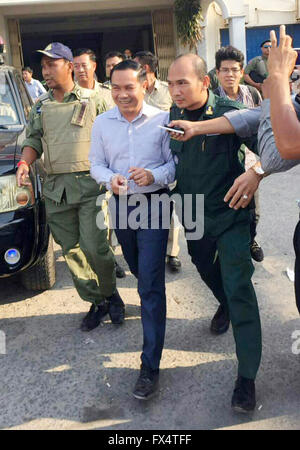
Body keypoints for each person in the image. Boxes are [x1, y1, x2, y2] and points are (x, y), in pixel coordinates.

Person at [167, 53, 262, 413]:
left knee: (240, 286)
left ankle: (247, 377)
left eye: (183, 83)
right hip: (192, 212)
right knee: (205, 267)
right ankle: (223, 301)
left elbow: (270, 147)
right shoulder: (171, 116)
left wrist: (258, 173)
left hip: (231, 213)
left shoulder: (230, 112)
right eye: (171, 83)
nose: (175, 91)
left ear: (204, 82)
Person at [16, 42, 125, 332]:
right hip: (56, 190)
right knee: (72, 251)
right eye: (43, 66)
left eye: (52, 64)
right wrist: (24, 164)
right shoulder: (40, 106)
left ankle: (111, 292)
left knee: (95, 247)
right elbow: (33, 141)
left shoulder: (96, 99)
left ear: (69, 66)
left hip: (91, 186)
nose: (45, 71)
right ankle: (98, 301)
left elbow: (115, 136)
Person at [89, 59, 175, 400]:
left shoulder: (162, 120)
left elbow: (175, 164)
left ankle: (149, 367)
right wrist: (110, 178)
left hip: (154, 205)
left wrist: (154, 175)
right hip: (121, 207)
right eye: (116, 88)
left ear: (145, 84)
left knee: (151, 284)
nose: (123, 95)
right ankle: (151, 303)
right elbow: (95, 163)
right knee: (141, 273)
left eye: (129, 87)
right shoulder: (101, 123)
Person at [73, 47, 125, 278]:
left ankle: (110, 258)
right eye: (75, 66)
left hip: (108, 166)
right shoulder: (67, 96)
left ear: (94, 66)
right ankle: (105, 259)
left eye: (84, 65)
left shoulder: (107, 94)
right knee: (95, 222)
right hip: (82, 169)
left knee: (108, 217)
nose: (80, 70)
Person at [214, 45, 264, 263]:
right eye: (224, 70)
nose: (230, 75)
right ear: (217, 73)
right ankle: (227, 246)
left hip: (251, 165)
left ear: (241, 72)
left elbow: (263, 125)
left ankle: (251, 239)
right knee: (226, 207)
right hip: (222, 165)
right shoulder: (212, 99)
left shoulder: (252, 94)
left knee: (253, 211)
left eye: (234, 70)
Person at [134, 50, 182, 273]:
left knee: (168, 205)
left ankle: (172, 252)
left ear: (146, 69)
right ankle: (149, 248)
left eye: (136, 66)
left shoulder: (167, 90)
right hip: (142, 153)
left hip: (166, 153)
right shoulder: (134, 90)